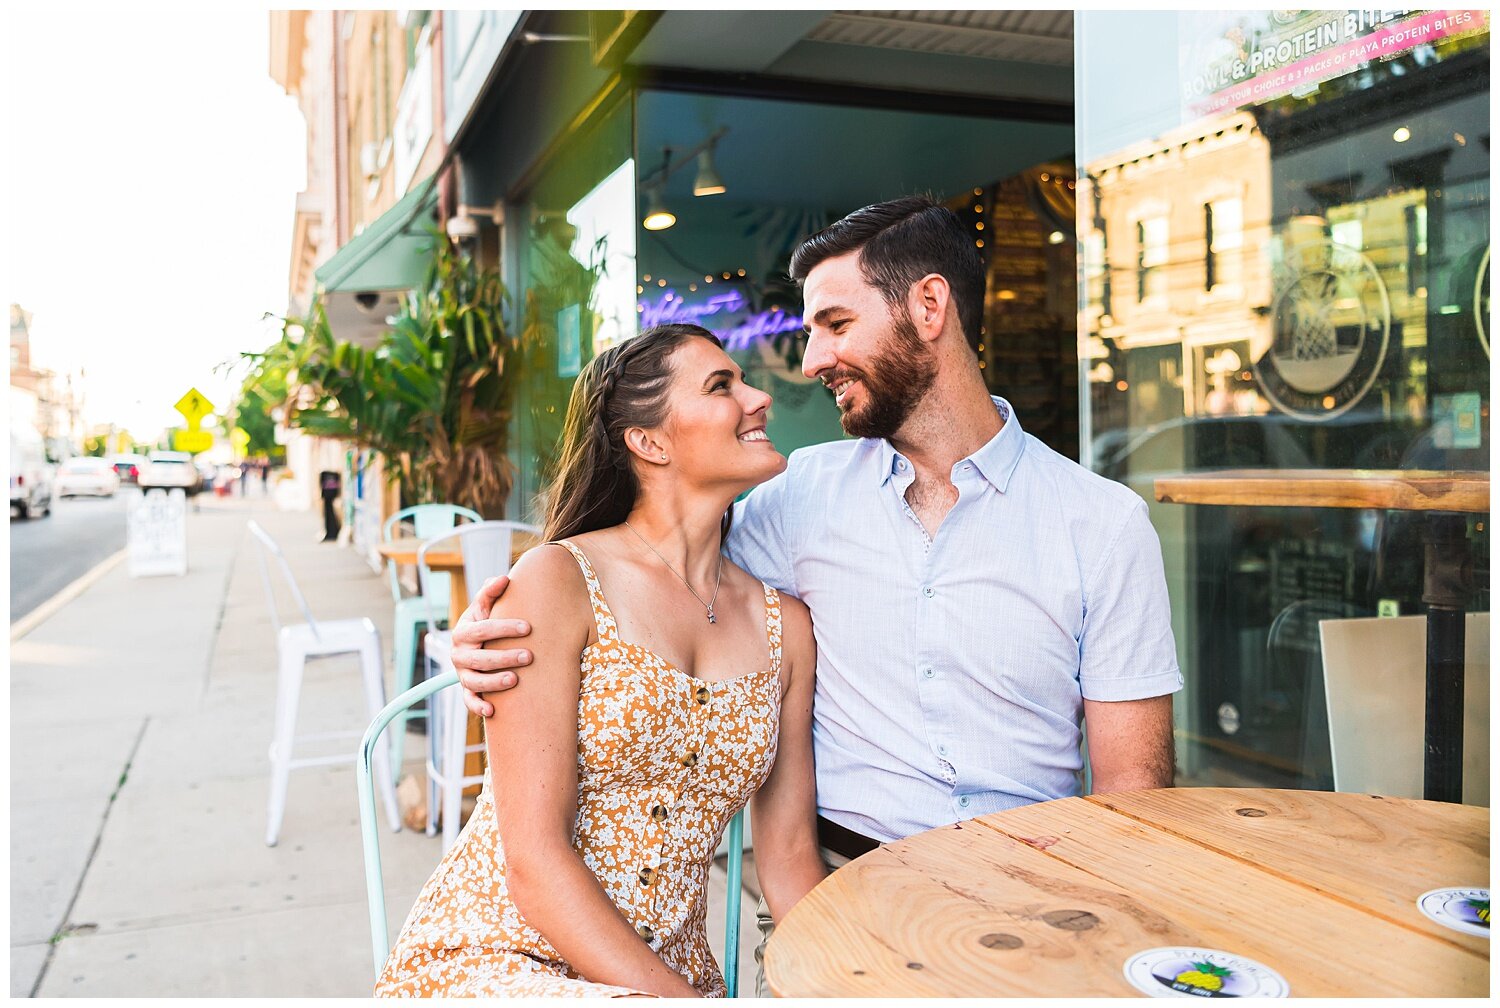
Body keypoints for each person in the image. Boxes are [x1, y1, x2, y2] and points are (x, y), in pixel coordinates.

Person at [452, 196, 1182, 994]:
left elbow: (1132, 797)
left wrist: (1071, 913)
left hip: (1029, 892)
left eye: (835, 324)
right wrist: (489, 632)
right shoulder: (799, 498)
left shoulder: (1103, 525)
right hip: (838, 883)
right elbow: (641, 572)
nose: (808, 363)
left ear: (928, 307)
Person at [375, 323, 826, 997]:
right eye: (722, 385)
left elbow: (787, 859)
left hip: (662, 981)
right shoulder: (558, 582)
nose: (758, 398)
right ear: (648, 442)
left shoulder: (784, 627)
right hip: (499, 957)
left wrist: (860, 977)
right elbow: (534, 860)